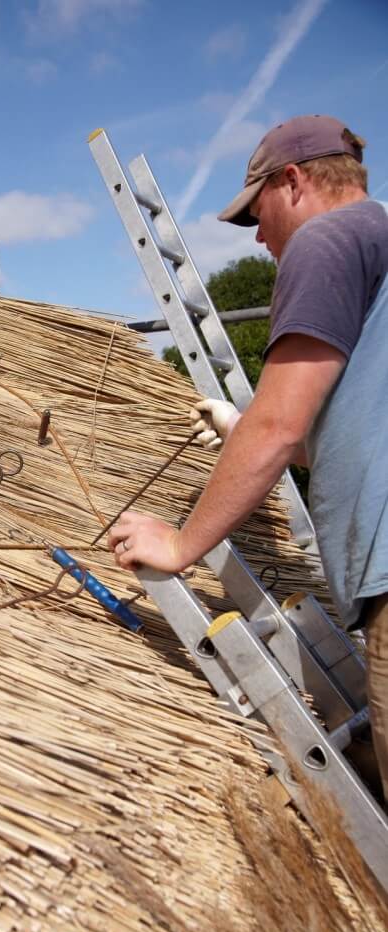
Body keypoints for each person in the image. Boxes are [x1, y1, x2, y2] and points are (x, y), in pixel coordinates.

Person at [109, 114, 388, 797]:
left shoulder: (325, 240)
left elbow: (279, 425)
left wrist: (180, 544)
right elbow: (339, 426)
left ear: (292, 181)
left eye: (255, 214)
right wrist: (241, 423)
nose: (259, 236)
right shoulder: (378, 236)